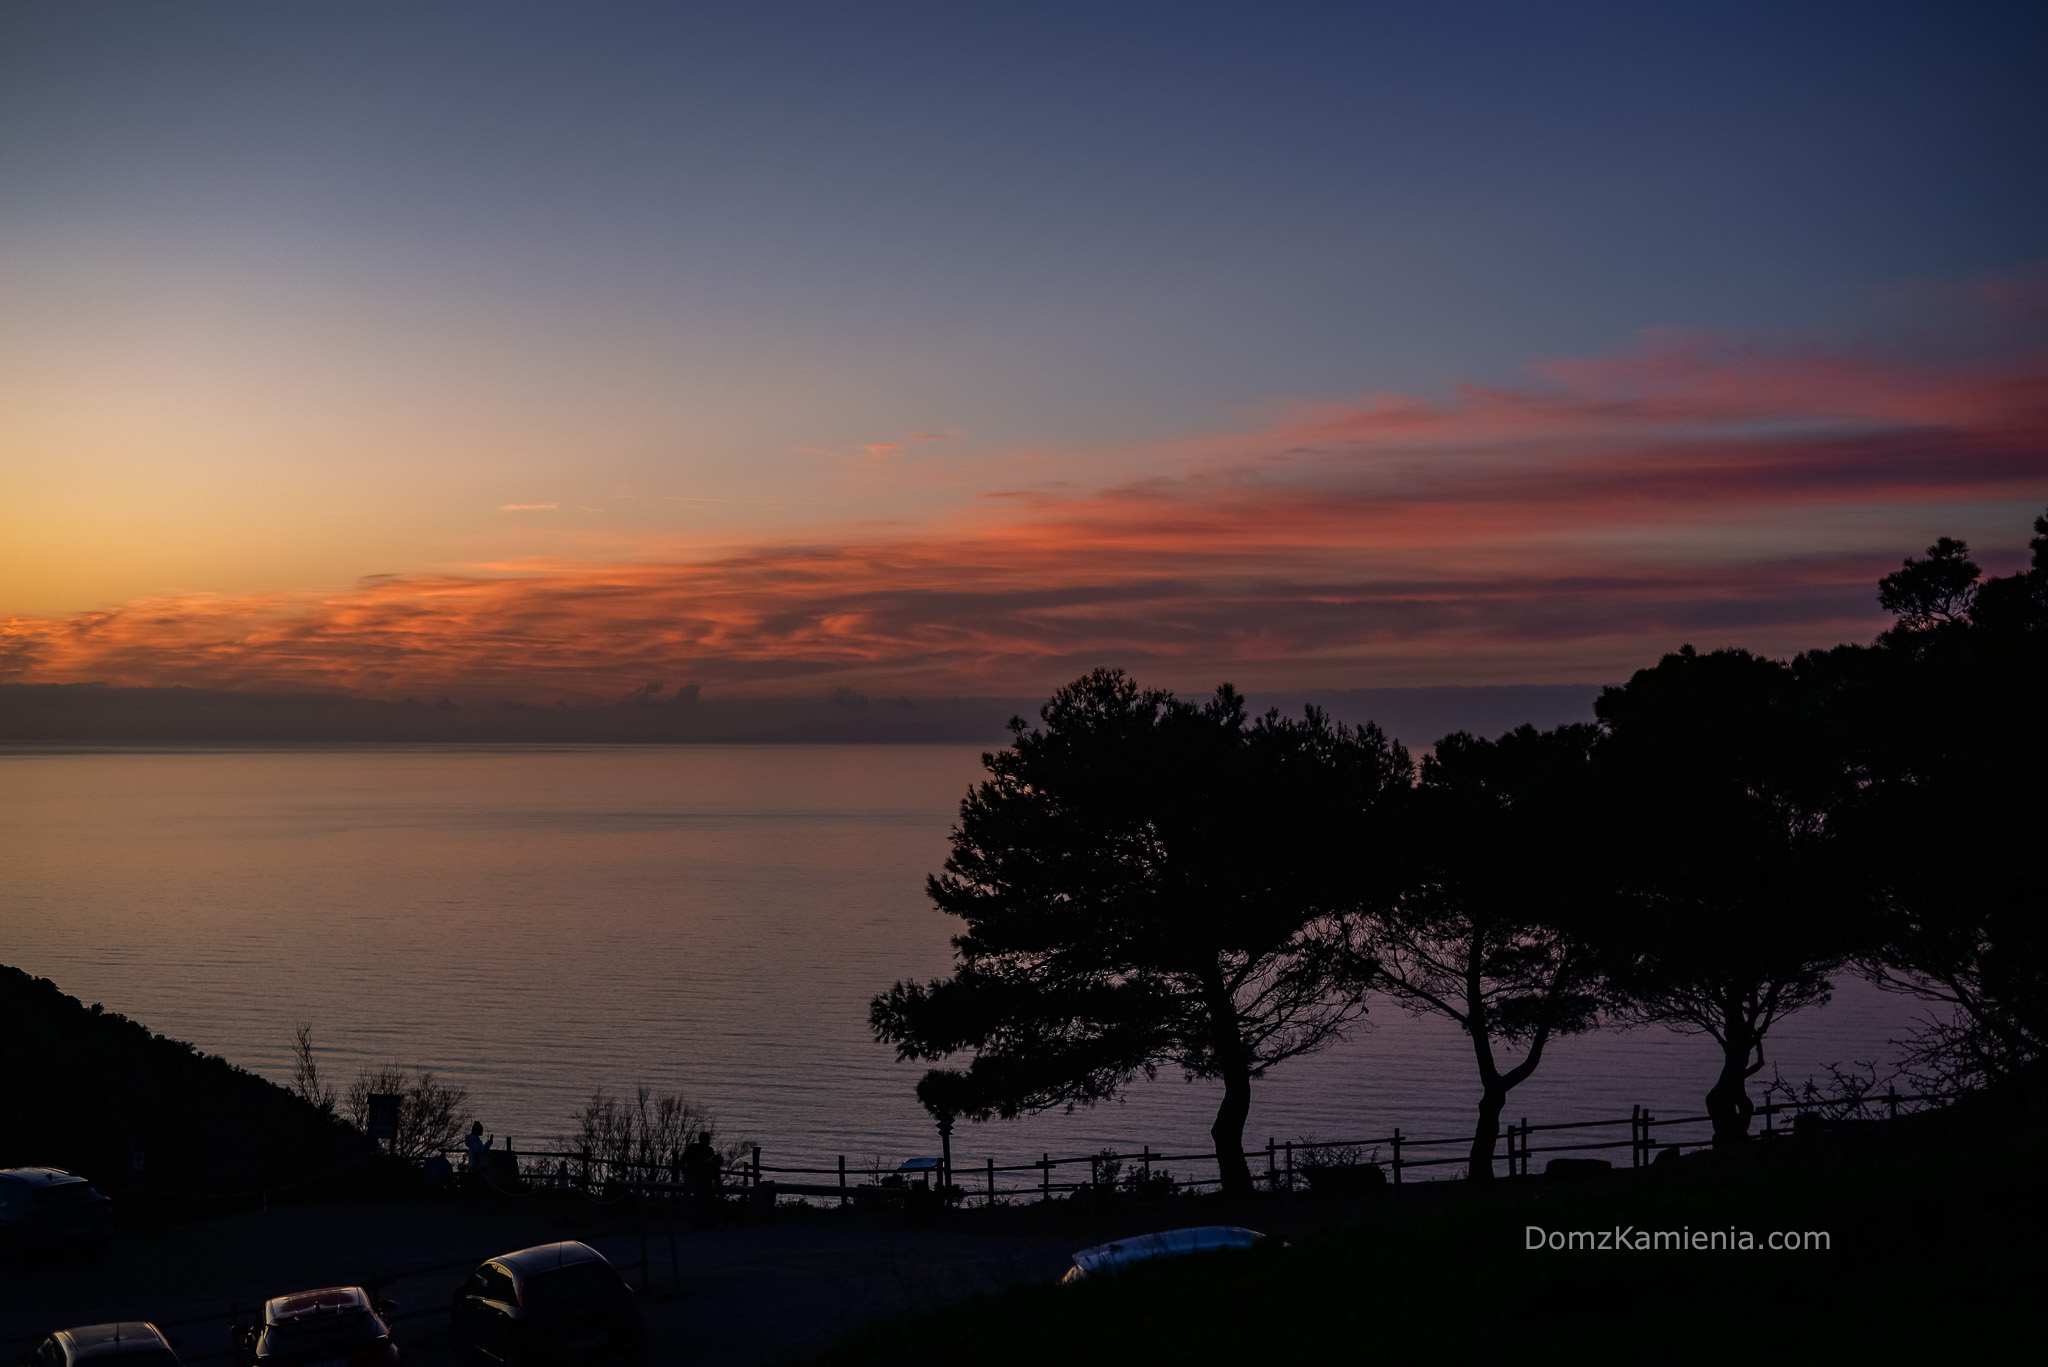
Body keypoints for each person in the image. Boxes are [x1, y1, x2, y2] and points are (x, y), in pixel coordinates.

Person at [681, 1130, 721, 1226]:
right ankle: (704, 1220)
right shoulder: (707, 1150)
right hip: (700, 1180)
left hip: (697, 1179)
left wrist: (685, 1172)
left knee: (702, 1197)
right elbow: (713, 1168)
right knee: (705, 1197)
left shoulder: (692, 1148)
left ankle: (702, 1219)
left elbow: (682, 1161)